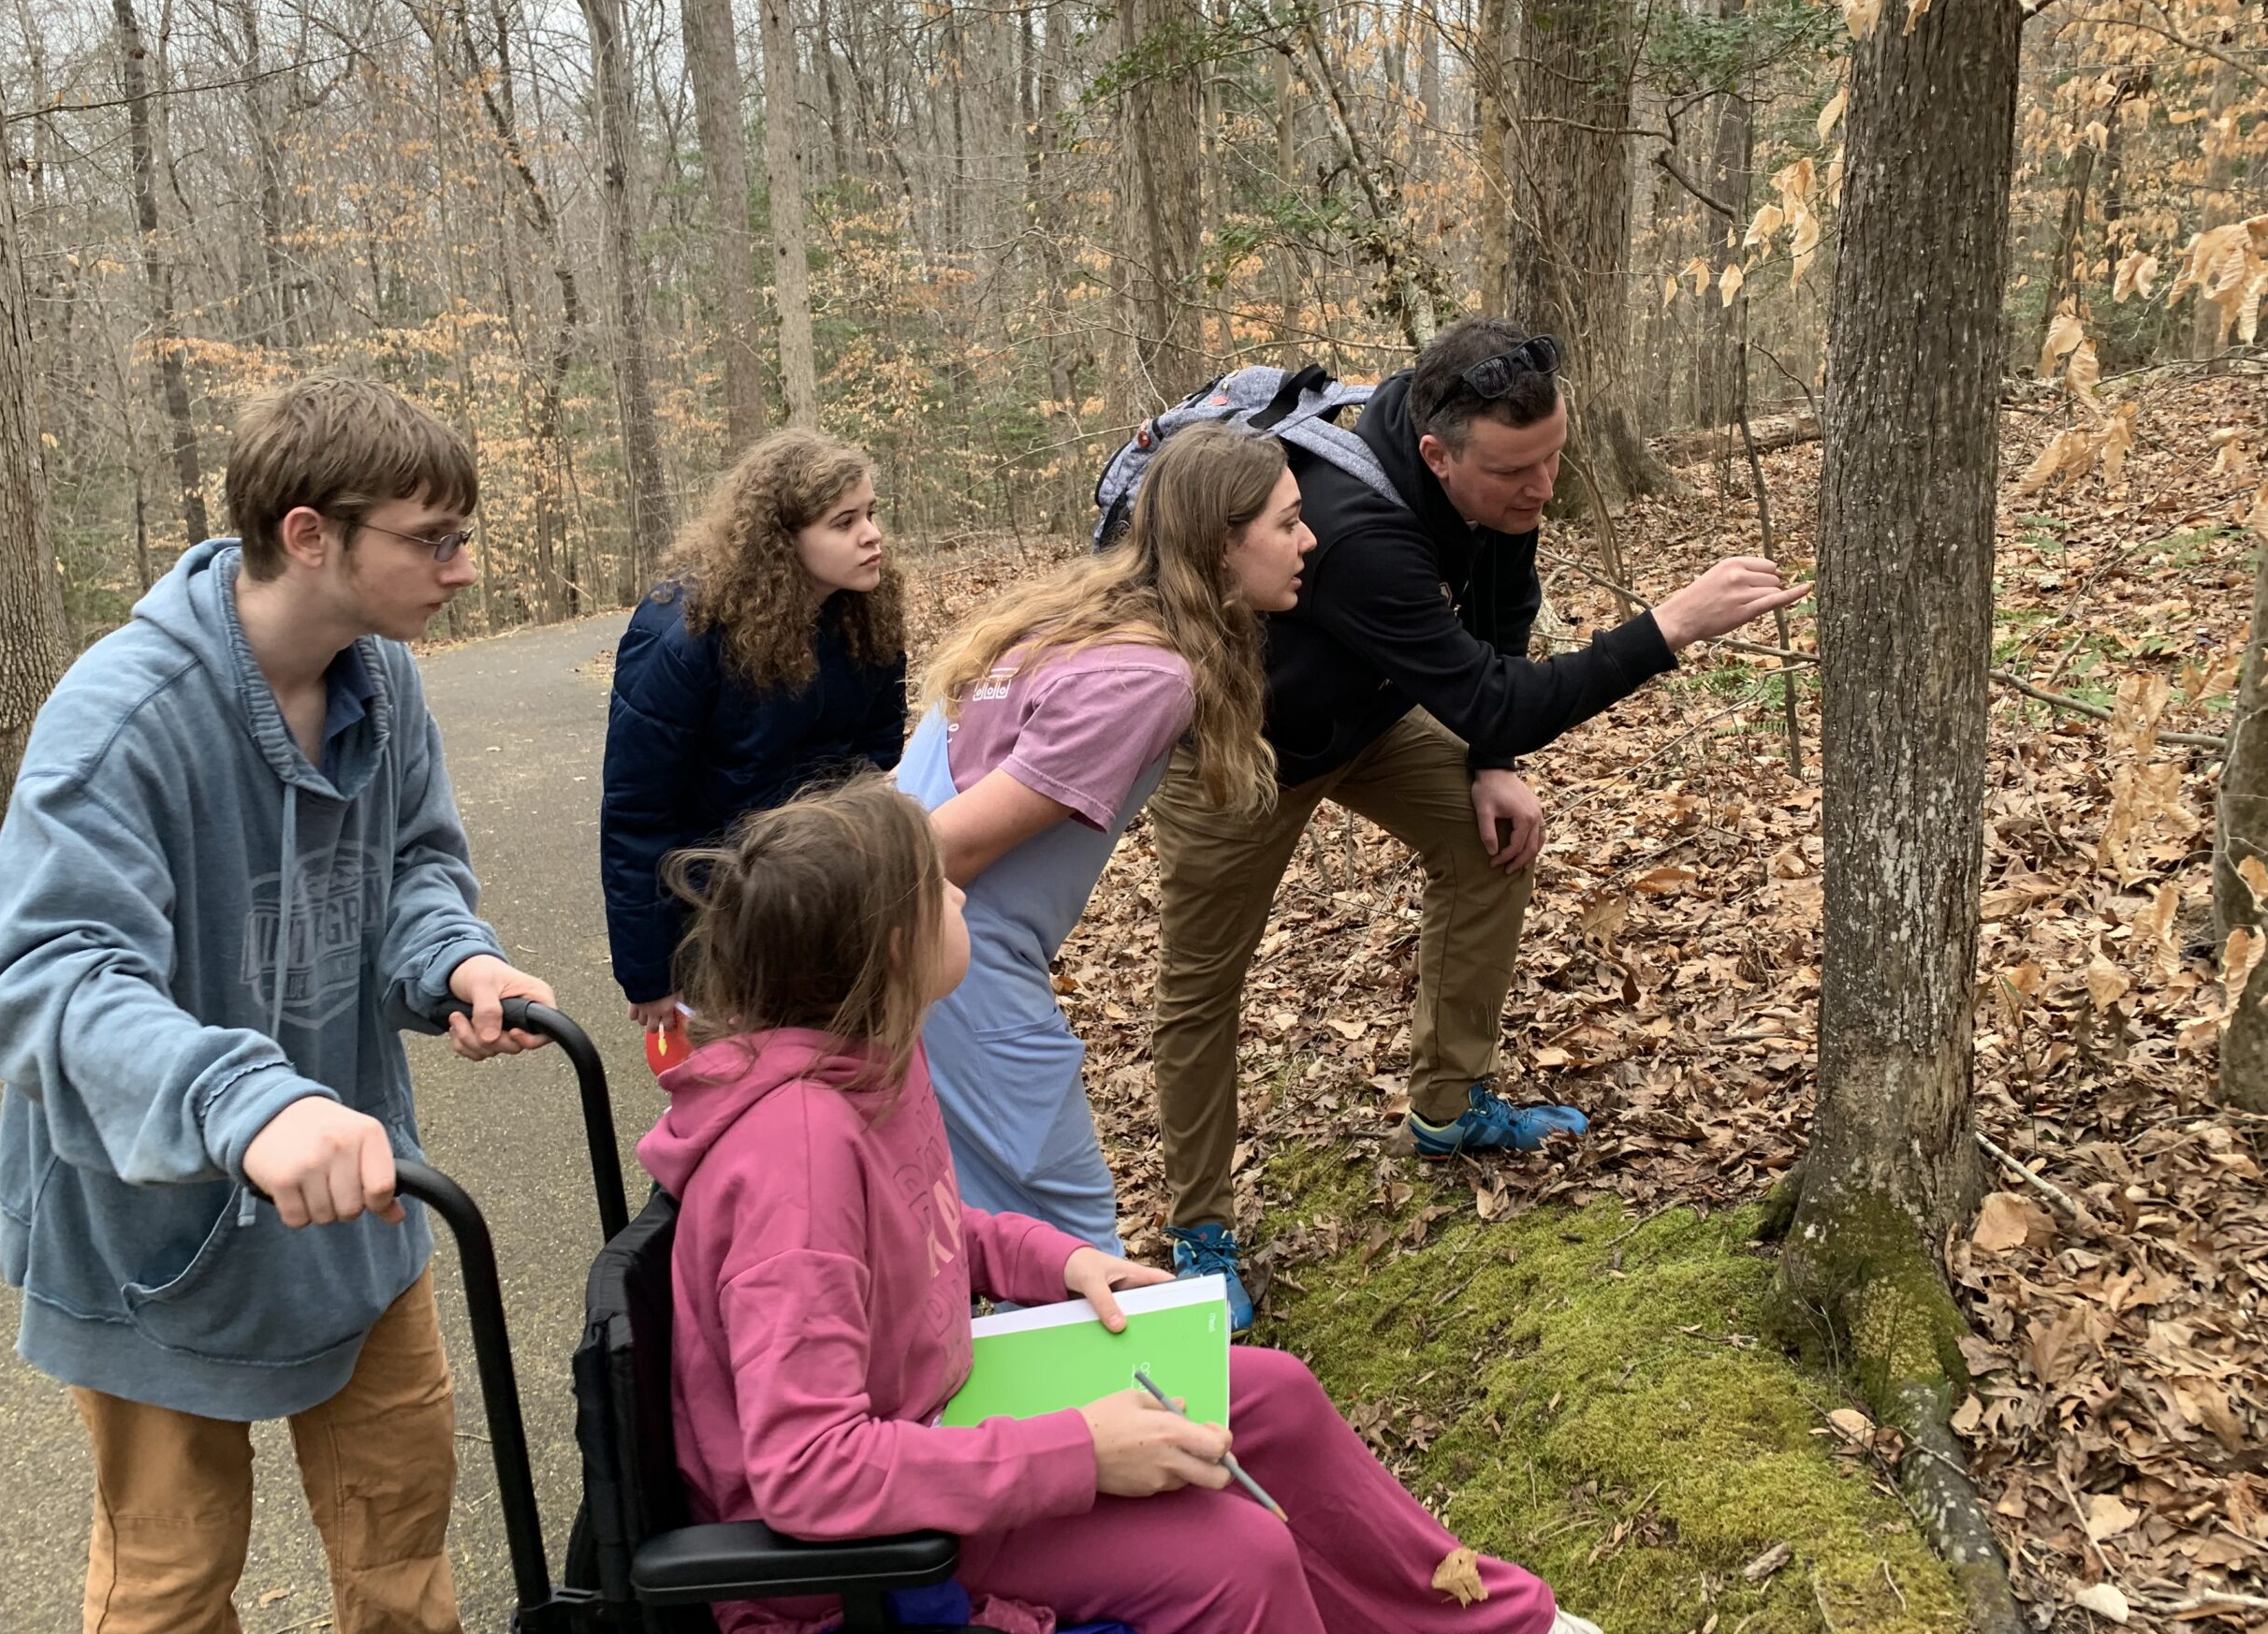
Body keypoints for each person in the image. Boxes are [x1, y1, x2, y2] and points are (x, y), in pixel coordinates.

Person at [638, 776, 1588, 1634]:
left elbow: (917, 1231)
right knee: (1236, 1560)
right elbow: (808, 1470)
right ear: (892, 951)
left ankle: (1489, 1619)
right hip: (850, 1560)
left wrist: (1050, 1261)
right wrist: (1079, 1453)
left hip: (929, 1427)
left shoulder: (871, 1055)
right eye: (939, 888)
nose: (963, 895)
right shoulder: (796, 1155)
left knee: (1271, 1396)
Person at [0, 375, 558, 1634]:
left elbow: (414, 869)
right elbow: (40, 981)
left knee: (403, 1546)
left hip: (359, 1200)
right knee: (171, 1587)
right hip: (154, 1235)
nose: (461, 568)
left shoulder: (381, 682)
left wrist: (458, 960)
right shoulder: (122, 719)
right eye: (431, 538)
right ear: (307, 534)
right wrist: (242, 1101)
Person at [1149, 316, 1808, 1321]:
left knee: (1490, 839)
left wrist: (1489, 765)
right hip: (1243, 751)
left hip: (1368, 709)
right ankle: (1197, 1231)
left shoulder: (1490, 473)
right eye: (1515, 472)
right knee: (1204, 987)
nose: (1541, 489)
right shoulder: (1356, 534)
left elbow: (1502, 618)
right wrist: (1666, 627)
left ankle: (1449, 1108)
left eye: (1553, 458)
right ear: (1434, 453)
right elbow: (1501, 694)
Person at [896, 426, 1309, 1256]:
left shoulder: (1078, 618)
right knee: (1071, 1233)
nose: (1309, 541)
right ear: (1224, 544)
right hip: (956, 955)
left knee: (970, 1223)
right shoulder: (1145, 676)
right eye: (1288, 522)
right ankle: (1099, 1391)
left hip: (924, 948)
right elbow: (946, 850)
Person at [601, 430, 906, 1074]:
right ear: (782, 539)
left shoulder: (867, 612)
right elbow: (638, 814)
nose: (872, 534)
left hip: (835, 898)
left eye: (872, 513)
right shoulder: (682, 635)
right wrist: (652, 973)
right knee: (731, 1101)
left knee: (840, 1085)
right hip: (722, 913)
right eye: (845, 522)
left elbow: (876, 760)